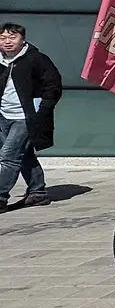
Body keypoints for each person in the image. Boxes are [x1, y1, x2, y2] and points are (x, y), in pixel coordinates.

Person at [0, 22, 62, 210]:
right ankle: (38, 193)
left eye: (12, 37)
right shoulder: (1, 61)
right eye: (3, 38)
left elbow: (53, 85)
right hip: (3, 116)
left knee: (8, 157)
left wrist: (42, 110)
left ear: (23, 39)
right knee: (23, 154)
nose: (7, 41)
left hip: (26, 117)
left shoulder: (36, 59)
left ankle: (0, 198)